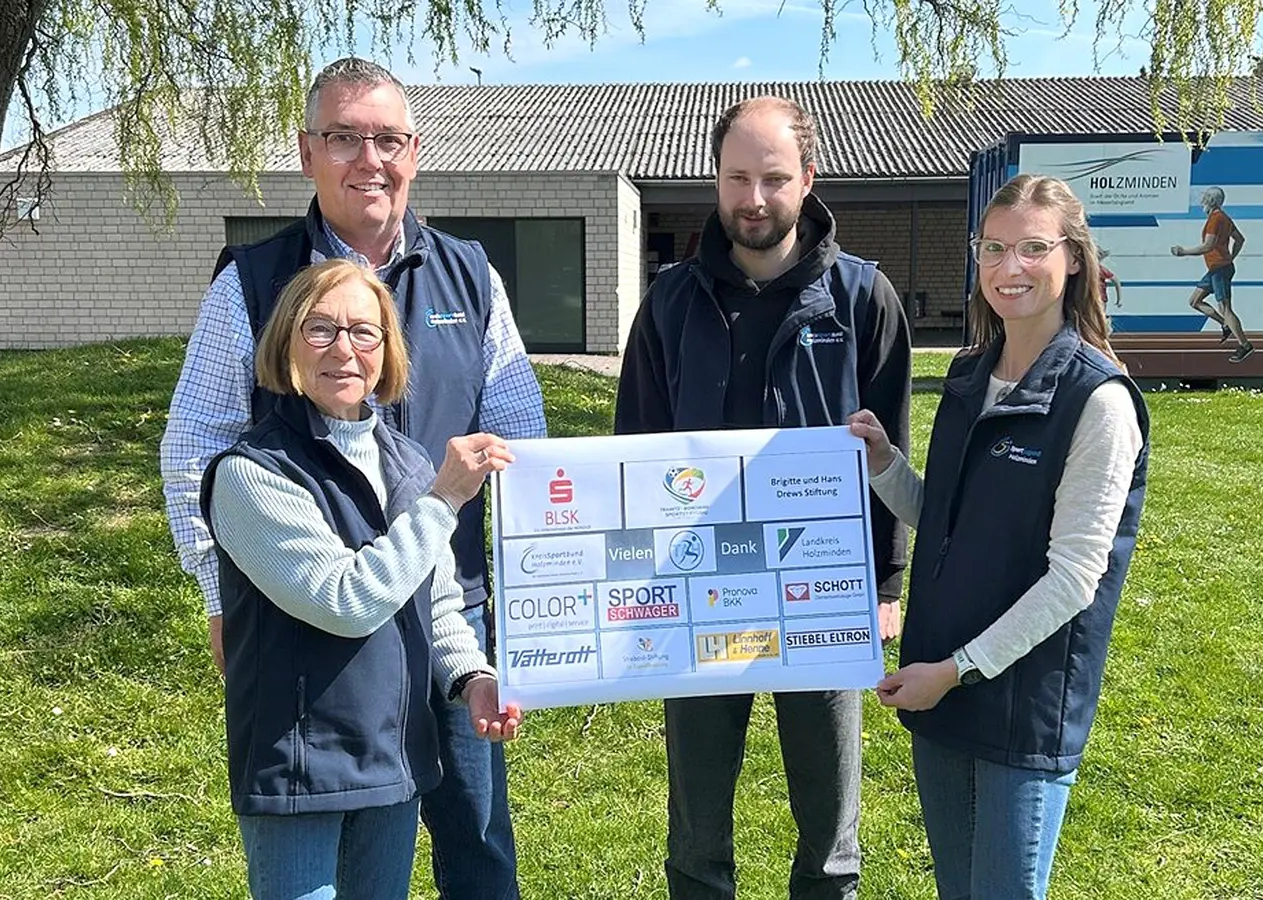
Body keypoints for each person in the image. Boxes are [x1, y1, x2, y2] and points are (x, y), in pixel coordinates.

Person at [159, 56, 544, 899]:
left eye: (389, 139)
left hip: (446, 605)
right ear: (307, 153)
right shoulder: (249, 282)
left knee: (479, 843)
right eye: (343, 137)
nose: (370, 159)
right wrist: (218, 595)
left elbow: (522, 434)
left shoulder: (471, 274)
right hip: (309, 635)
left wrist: (540, 584)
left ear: (415, 152)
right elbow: (194, 443)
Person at [614, 96, 912, 900]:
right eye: (737, 177)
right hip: (695, 590)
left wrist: (886, 581)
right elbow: (632, 450)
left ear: (807, 179)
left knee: (831, 829)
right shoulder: (670, 302)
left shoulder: (863, 298)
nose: (754, 198)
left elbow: (890, 446)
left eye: (774, 178)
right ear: (714, 179)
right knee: (697, 826)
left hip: (820, 589)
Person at [848, 173, 1150, 900]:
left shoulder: (1098, 401)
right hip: (943, 691)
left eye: (1033, 248)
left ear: (1073, 258)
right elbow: (945, 518)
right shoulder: (968, 375)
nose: (1010, 267)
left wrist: (955, 670)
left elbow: (1074, 579)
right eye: (993, 248)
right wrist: (884, 464)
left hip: (1019, 704)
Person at [203, 259, 522, 900]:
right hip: (301, 771)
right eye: (320, 328)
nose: (344, 349)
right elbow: (345, 601)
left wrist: (473, 678)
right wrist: (443, 501)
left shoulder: (408, 461)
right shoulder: (252, 473)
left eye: (364, 331)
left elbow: (436, 601)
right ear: (286, 343)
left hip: (393, 759)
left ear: (387, 349)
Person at [1171, 186, 1252, 362]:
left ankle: (1245, 345)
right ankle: (1225, 324)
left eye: (1205, 198)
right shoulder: (1224, 218)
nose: (1202, 201)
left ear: (1212, 201)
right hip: (1217, 268)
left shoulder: (1216, 219)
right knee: (1194, 301)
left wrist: (1183, 252)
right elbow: (1240, 239)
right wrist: (1231, 256)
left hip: (1220, 269)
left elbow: (1207, 246)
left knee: (1226, 308)